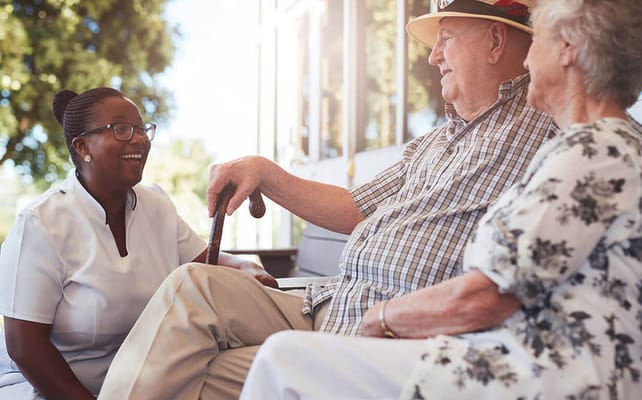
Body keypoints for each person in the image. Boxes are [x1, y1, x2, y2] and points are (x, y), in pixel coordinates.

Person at [98, 1, 561, 398]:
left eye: (446, 38)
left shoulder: (550, 128)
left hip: (386, 334)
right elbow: (354, 208)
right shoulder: (433, 143)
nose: (432, 57)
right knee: (192, 285)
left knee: (197, 374)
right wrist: (264, 171)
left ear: (497, 42)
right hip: (329, 303)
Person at [240, 0, 642, 398]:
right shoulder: (594, 148)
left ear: (567, 49)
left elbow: (488, 296)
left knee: (284, 359)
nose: (526, 61)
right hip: (519, 356)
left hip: (541, 373)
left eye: (537, 41)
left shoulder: (594, 152)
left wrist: (383, 317)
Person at [0, 87, 276, 399]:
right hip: (61, 390)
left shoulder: (156, 204)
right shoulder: (40, 224)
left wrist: (245, 268)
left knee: (268, 368)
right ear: (82, 146)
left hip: (154, 377)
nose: (140, 139)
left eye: (142, 129)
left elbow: (204, 261)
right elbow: (25, 347)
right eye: (120, 129)